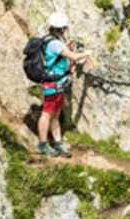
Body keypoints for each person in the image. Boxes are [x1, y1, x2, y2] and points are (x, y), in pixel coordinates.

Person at [37, 12, 90, 157]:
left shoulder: (50, 40)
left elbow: (56, 54)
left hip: (57, 84)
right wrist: (87, 53)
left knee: (55, 114)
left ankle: (58, 142)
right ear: (62, 29)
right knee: (47, 114)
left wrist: (65, 46)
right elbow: (73, 56)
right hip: (52, 84)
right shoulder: (55, 43)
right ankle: (42, 144)